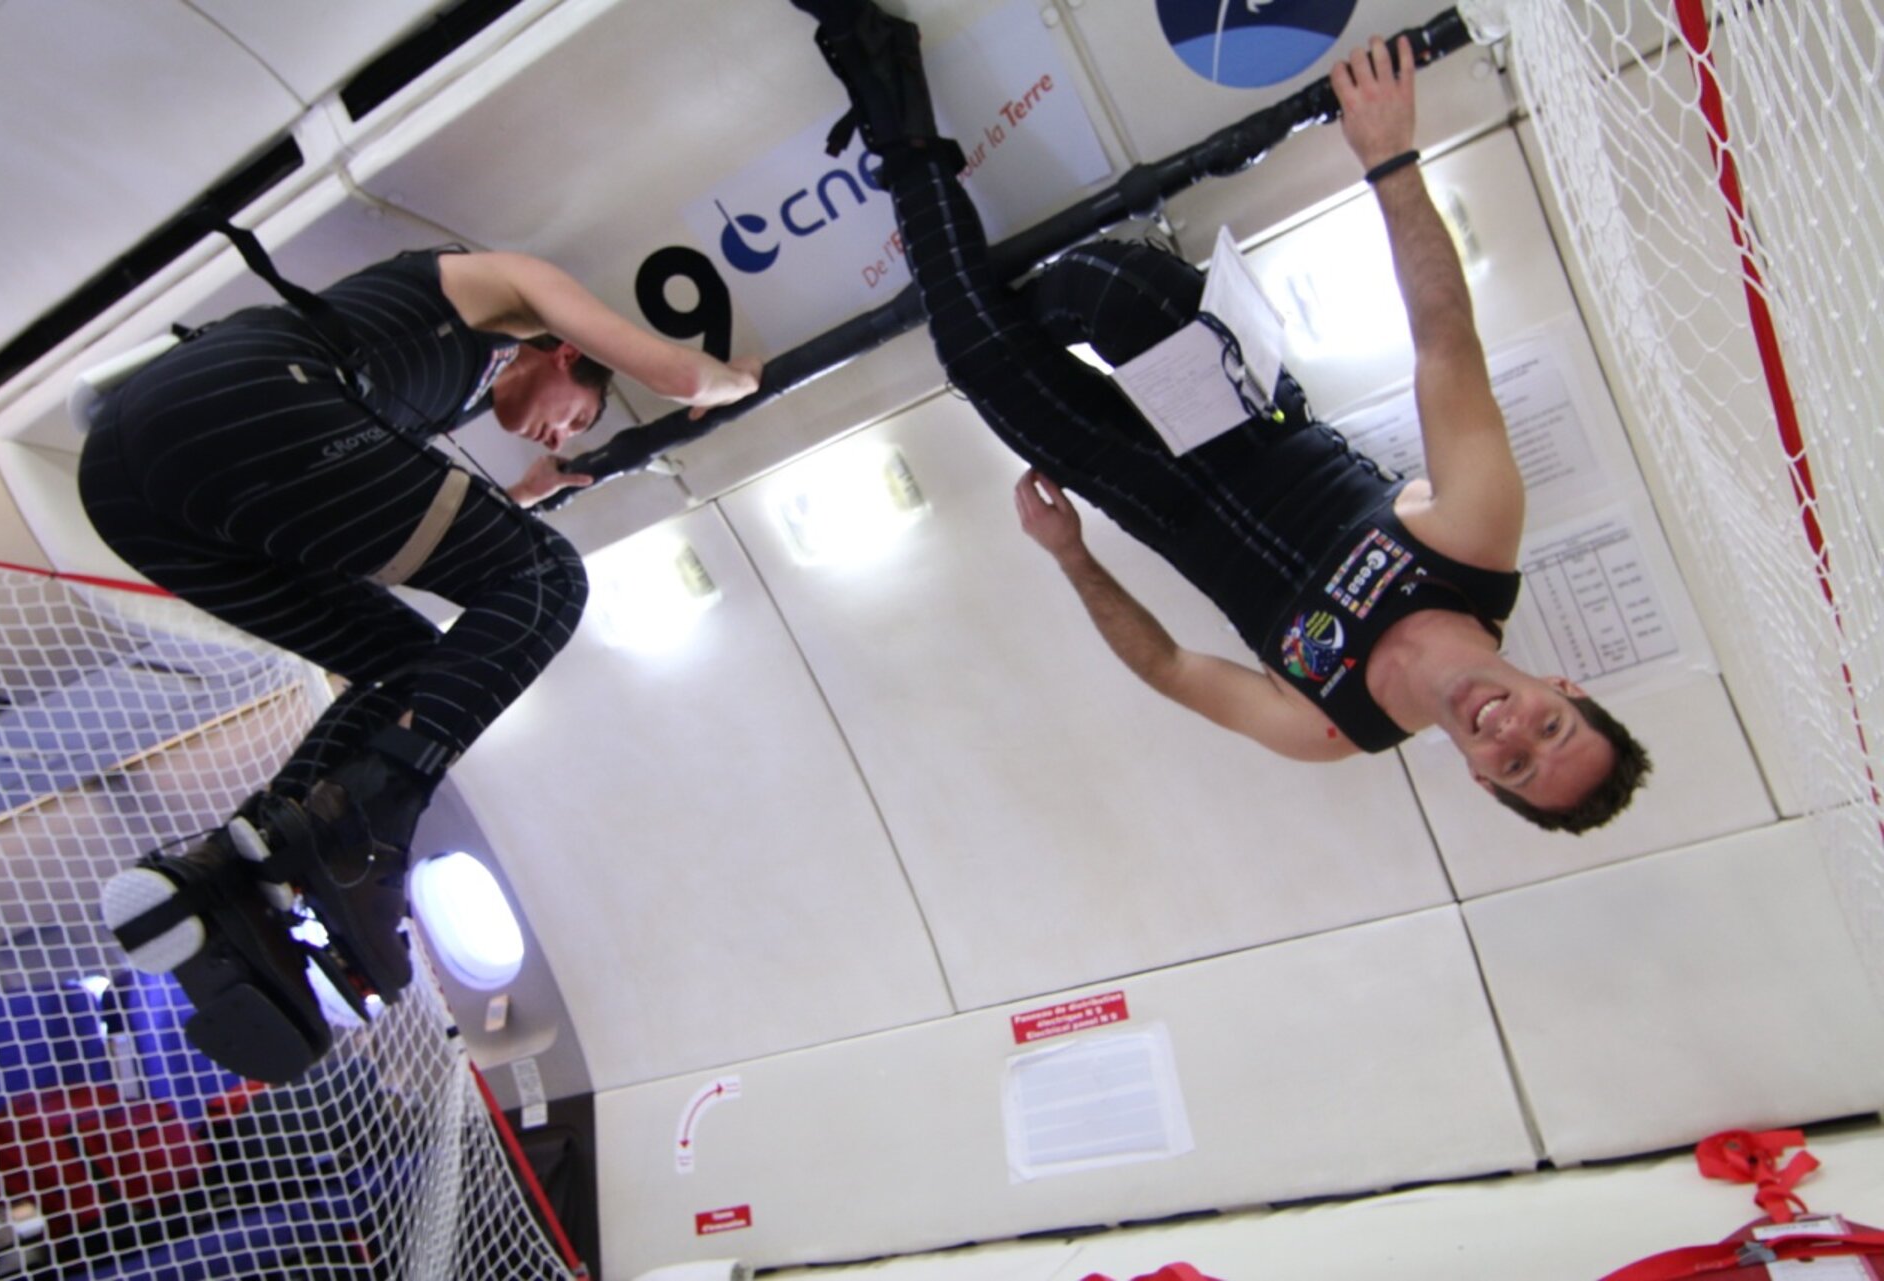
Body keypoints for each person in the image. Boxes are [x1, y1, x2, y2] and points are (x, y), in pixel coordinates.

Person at [789, 0, 1649, 833]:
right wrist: (1390, 161)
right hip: (1236, 420)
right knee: (1105, 285)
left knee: (975, 358)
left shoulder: (1331, 728)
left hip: (1151, 497)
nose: (1509, 732)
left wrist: (1073, 558)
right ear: (1564, 687)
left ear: (1480, 780)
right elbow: (1445, 346)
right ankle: (1006, 293)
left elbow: (1170, 667)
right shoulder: (1478, 542)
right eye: (1549, 729)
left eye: (1516, 768)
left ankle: (874, 63)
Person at [83, 245, 760, 1082]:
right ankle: (363, 834)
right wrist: (732, 380)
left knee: (409, 663)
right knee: (545, 579)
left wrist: (519, 500)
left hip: (132, 487)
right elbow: (681, 380)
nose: (566, 432)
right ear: (566, 351)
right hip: (240, 401)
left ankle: (227, 867)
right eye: (582, 416)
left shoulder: (417, 393)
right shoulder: (509, 284)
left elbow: (366, 509)